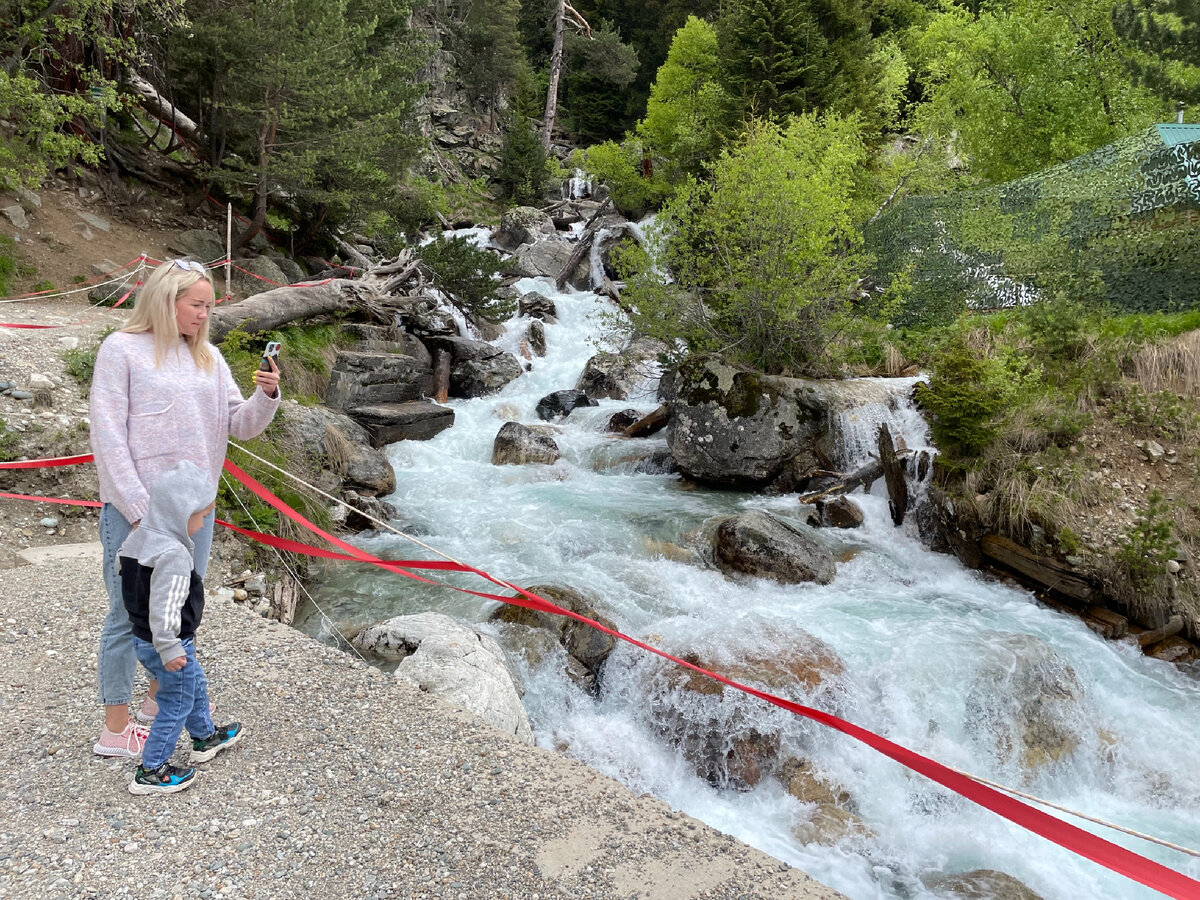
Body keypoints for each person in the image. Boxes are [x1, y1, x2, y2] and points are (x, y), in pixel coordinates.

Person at [90, 258, 281, 759]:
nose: (205, 314)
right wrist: (137, 510)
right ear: (165, 299)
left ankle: (159, 701)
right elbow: (108, 436)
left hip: (195, 512)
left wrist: (268, 394)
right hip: (136, 513)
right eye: (197, 304)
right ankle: (115, 727)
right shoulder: (121, 350)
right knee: (124, 615)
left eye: (209, 305)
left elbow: (239, 425)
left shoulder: (210, 358)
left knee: (178, 614)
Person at [121, 460, 243, 794]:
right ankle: (151, 769)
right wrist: (170, 645)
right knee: (175, 702)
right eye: (201, 515)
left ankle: (205, 737)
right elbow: (165, 607)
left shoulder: (139, 537)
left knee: (194, 683)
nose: (204, 523)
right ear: (180, 512)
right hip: (168, 642)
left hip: (143, 639)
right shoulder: (173, 554)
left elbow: (125, 569)